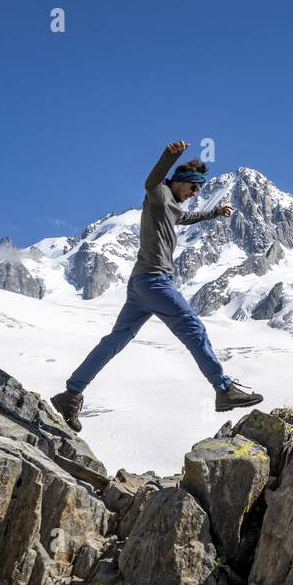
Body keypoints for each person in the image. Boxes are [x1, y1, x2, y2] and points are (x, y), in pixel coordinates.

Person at [50, 140, 263, 431]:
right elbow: (151, 182)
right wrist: (169, 156)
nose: (195, 193)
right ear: (180, 182)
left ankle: (71, 393)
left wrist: (214, 213)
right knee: (193, 327)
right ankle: (224, 389)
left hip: (140, 285)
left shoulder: (172, 206)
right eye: (194, 188)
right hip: (154, 280)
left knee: (115, 341)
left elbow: (185, 218)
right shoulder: (159, 193)